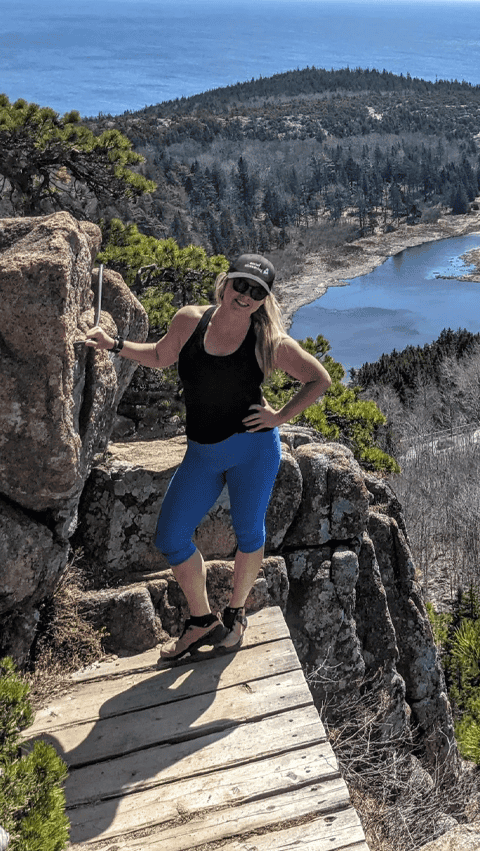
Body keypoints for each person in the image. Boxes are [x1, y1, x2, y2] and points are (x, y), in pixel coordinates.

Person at [85, 253, 332, 661]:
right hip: (202, 454)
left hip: (253, 451)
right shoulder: (190, 320)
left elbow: (318, 379)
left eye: (257, 292)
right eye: (240, 284)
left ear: (264, 299)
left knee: (249, 534)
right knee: (171, 536)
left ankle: (235, 615)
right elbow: (161, 356)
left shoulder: (268, 340)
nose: (245, 296)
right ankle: (201, 621)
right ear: (225, 282)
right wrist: (114, 345)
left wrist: (278, 417)